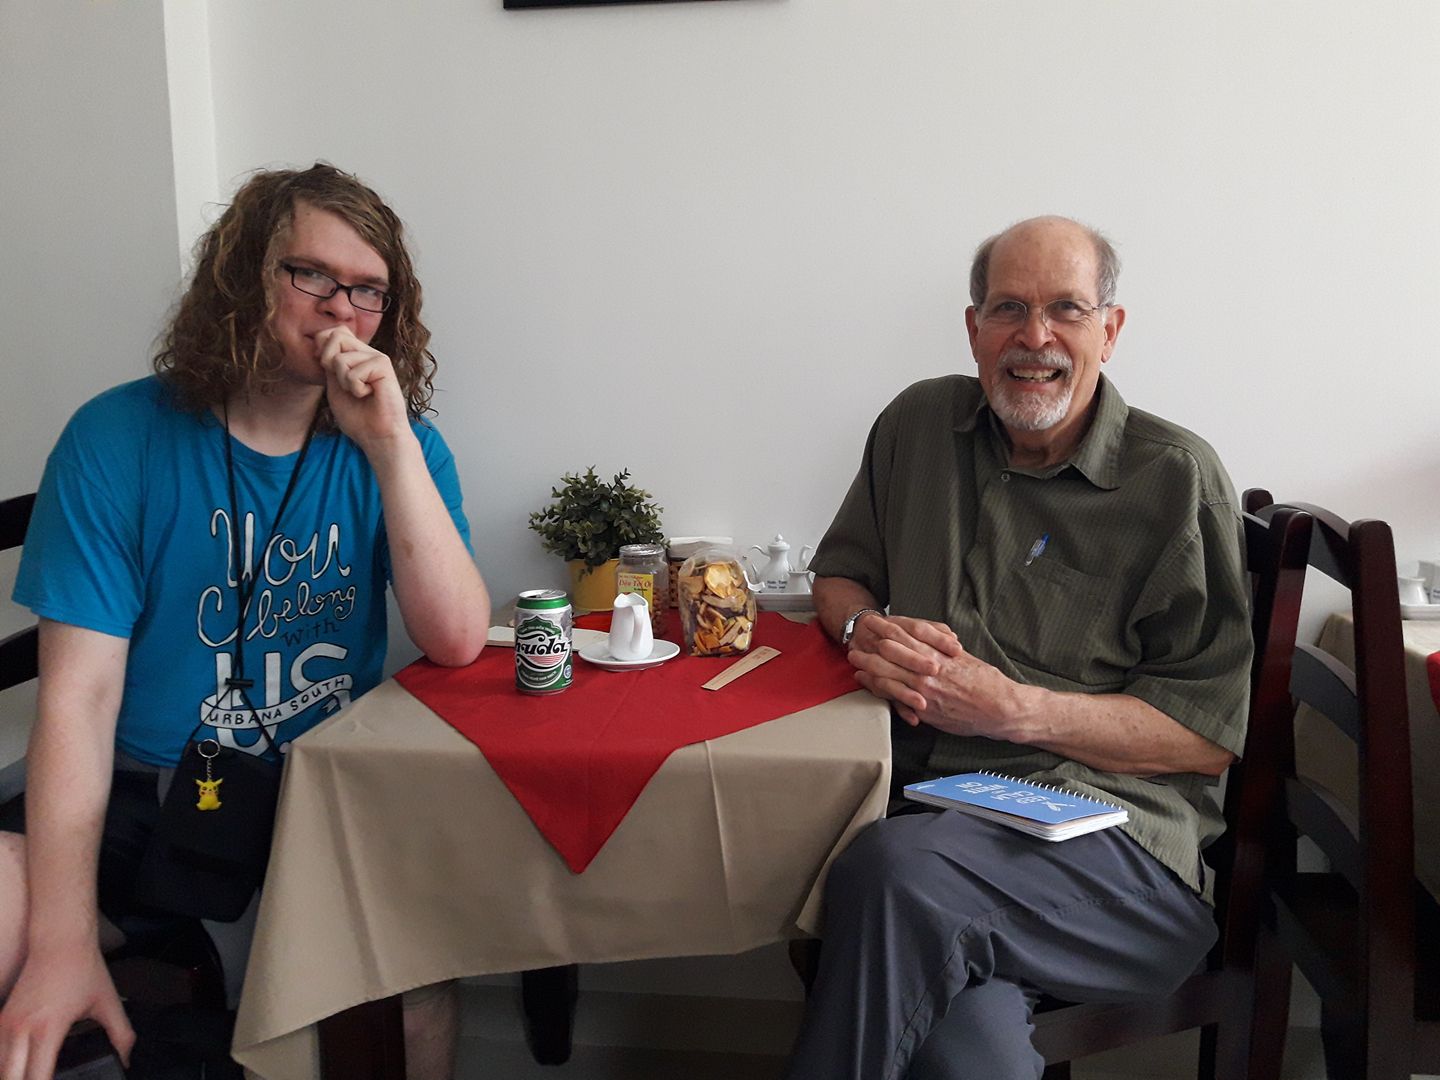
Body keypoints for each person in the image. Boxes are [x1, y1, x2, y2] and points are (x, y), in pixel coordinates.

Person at [0, 163, 490, 1080]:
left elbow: (457, 637)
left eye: (369, 291)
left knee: (412, 986)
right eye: (311, 276)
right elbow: (79, 701)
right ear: (241, 278)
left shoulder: (402, 447)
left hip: (315, 799)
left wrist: (387, 444)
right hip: (139, 790)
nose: (341, 310)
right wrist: (60, 943)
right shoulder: (118, 439)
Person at [785, 216, 1252, 1080]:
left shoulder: (1176, 478)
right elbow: (840, 575)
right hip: (945, 832)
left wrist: (1016, 712)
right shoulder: (916, 426)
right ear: (973, 328)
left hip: (1124, 863)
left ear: (1109, 332)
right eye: (1009, 308)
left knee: (888, 877)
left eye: (1066, 310)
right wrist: (863, 629)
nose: (1034, 338)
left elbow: (1207, 734)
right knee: (968, 1055)